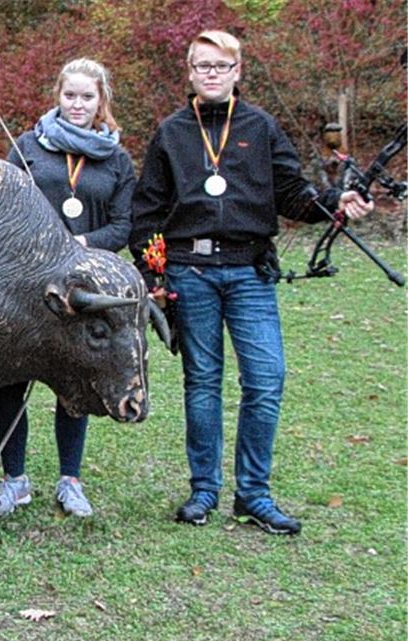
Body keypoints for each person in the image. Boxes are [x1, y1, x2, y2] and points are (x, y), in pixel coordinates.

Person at [129, 30, 374, 534]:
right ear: (190, 72)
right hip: (189, 273)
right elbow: (146, 211)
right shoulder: (171, 132)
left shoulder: (261, 127)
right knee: (202, 384)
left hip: (250, 273)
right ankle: (203, 491)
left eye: (221, 66)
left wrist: (336, 204)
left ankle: (253, 494)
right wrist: (155, 274)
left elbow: (293, 193)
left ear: (238, 71)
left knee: (266, 379)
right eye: (202, 66)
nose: (212, 74)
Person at [0, 58, 136, 519]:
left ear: (100, 101)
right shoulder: (29, 147)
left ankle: (70, 480)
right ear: (58, 95)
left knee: (73, 381)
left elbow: (123, 224)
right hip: (26, 283)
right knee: (12, 379)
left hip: (85, 287)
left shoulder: (117, 159)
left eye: (87, 97)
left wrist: (82, 244)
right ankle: (15, 480)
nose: (77, 104)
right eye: (70, 95)